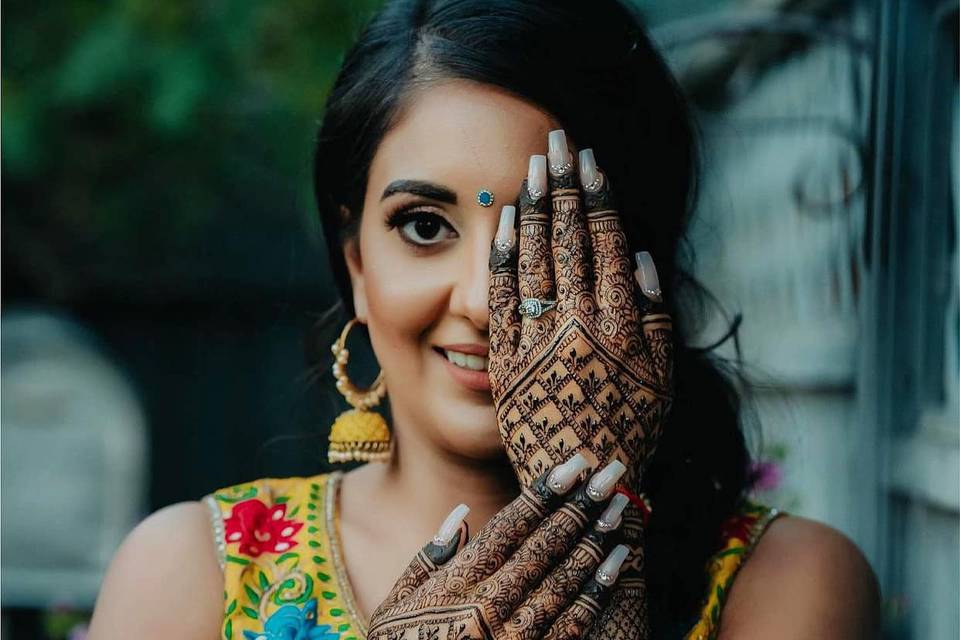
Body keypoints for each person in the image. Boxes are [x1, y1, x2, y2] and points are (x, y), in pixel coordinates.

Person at [88, 1, 880, 638]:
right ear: (358, 263)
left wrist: (591, 515)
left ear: (639, 263)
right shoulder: (195, 572)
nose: (479, 298)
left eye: (543, 241)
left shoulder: (783, 583)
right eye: (425, 227)